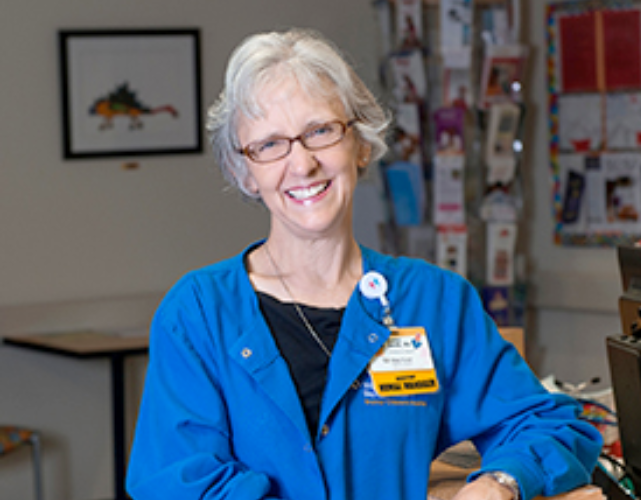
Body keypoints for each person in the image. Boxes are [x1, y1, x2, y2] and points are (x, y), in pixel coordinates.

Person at [126, 28, 604, 500]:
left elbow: (548, 425)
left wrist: (501, 483)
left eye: (320, 131)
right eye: (269, 145)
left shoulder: (434, 301)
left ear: (361, 144)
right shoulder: (199, 314)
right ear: (243, 171)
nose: (303, 163)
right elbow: (174, 482)